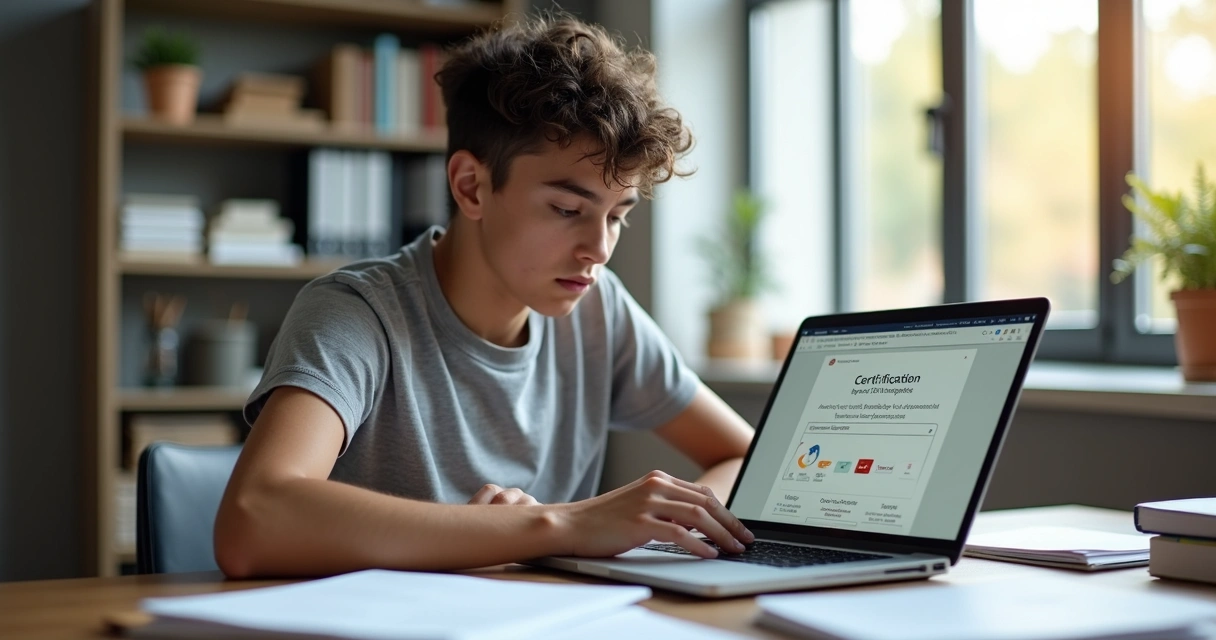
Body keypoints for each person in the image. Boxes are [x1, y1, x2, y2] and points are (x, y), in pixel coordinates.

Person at [214, 13, 756, 579]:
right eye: (567, 210)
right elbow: (252, 520)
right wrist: (560, 525)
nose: (598, 249)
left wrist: (666, 523)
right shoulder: (357, 313)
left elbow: (745, 459)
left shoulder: (600, 309)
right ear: (471, 186)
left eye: (617, 215)